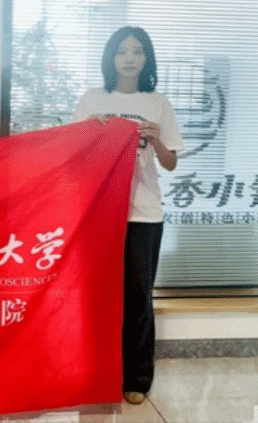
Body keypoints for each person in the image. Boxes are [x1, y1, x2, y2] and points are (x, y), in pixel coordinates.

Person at [72, 26, 183, 406]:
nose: (130, 58)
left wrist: (157, 138)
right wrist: (90, 131)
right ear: (111, 57)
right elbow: (74, 156)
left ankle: (136, 378)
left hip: (144, 213)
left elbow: (170, 163)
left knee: (138, 296)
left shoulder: (158, 102)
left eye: (138, 51)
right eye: (122, 51)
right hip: (100, 213)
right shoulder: (92, 99)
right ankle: (94, 371)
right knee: (97, 295)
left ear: (147, 58)